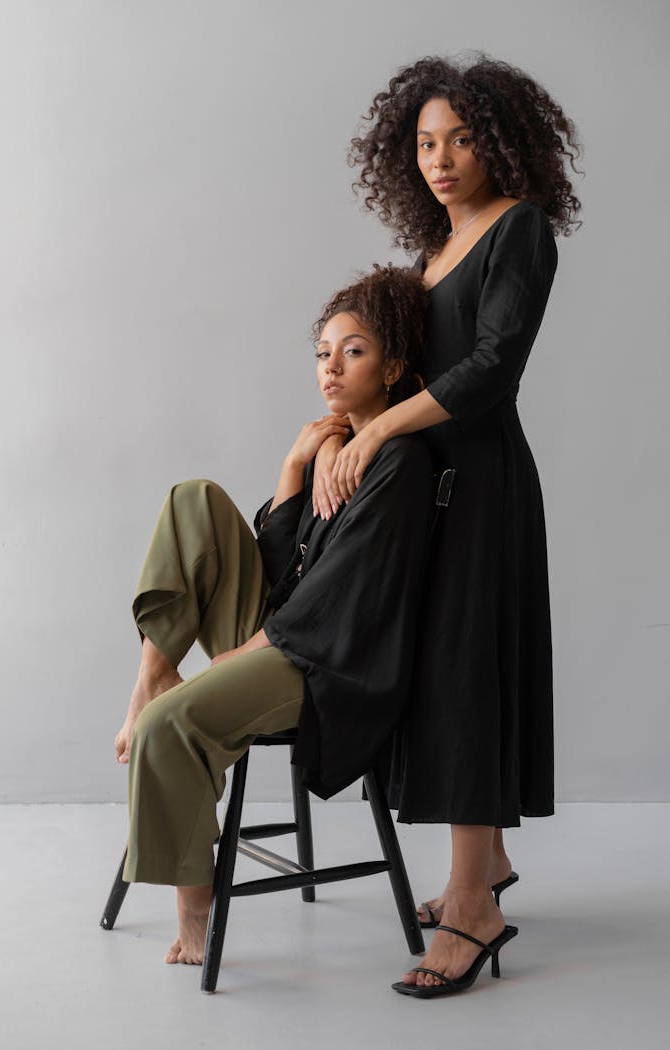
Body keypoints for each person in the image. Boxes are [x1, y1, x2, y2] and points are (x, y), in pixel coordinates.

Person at [310, 54, 582, 997]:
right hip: (427, 488)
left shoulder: (521, 230)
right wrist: (340, 427)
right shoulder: (433, 252)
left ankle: (473, 909)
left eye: (462, 138)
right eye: (425, 142)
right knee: (443, 670)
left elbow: (494, 366)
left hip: (485, 483)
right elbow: (408, 376)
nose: (441, 158)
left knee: (464, 676)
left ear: (500, 141)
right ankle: (487, 862)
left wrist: (381, 424)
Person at [113, 265, 436, 966]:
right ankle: (152, 676)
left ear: (395, 366)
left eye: (354, 351)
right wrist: (297, 463)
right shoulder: (335, 445)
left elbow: (339, 595)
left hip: (324, 665)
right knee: (192, 497)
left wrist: (238, 656)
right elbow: (279, 562)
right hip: (280, 629)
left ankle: (194, 910)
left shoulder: (399, 463)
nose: (331, 367)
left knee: (171, 726)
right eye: (324, 353)